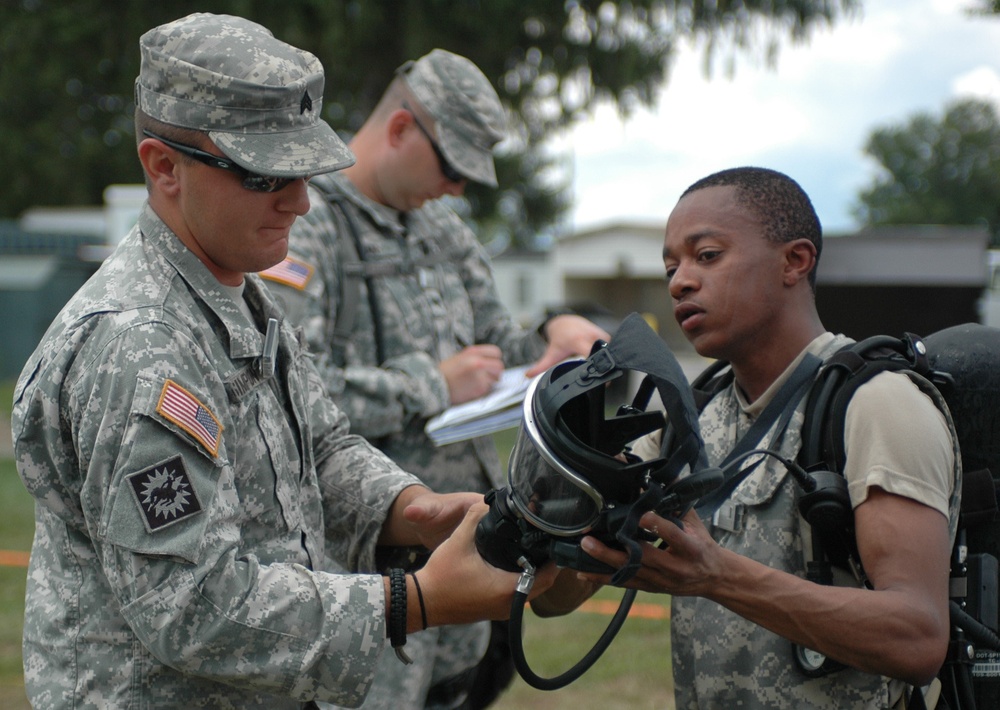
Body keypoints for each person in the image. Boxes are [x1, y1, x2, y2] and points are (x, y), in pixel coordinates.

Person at [10, 13, 556, 710]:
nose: (299, 202)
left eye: (302, 172)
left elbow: (318, 450)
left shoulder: (237, 294)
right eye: (264, 175)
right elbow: (193, 606)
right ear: (164, 167)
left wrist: (410, 509)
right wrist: (412, 602)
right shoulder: (139, 346)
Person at [261, 48, 609, 709]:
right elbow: (287, 395)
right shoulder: (306, 223)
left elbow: (497, 342)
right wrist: (433, 385)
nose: (457, 190)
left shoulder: (442, 229)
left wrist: (553, 333)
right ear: (400, 128)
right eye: (453, 169)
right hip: (362, 573)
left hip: (464, 550)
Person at [573, 167, 961, 708]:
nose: (680, 282)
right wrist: (558, 503)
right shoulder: (688, 416)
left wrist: (718, 576)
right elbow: (558, 596)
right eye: (671, 267)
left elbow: (917, 638)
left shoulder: (877, 404)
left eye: (707, 255)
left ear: (794, 261)